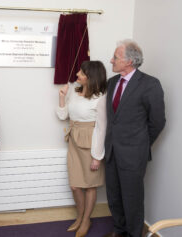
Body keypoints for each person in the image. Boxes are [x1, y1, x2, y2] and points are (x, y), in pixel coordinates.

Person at [104, 40, 166, 237]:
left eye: (115, 57)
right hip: (112, 151)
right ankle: (119, 231)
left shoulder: (150, 84)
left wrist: (140, 144)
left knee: (132, 199)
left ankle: (133, 234)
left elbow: (157, 121)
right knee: (114, 197)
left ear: (129, 61)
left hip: (134, 154)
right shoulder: (112, 82)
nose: (111, 60)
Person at [56, 61, 107, 237]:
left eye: (82, 73)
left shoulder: (100, 98)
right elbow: (63, 116)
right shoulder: (76, 93)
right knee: (75, 185)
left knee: (90, 185)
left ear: (90, 77)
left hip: (91, 143)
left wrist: (97, 156)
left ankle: (86, 220)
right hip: (74, 142)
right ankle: (80, 217)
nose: (77, 74)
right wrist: (62, 97)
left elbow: (101, 129)